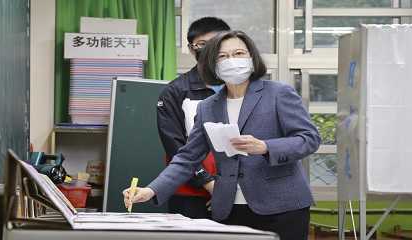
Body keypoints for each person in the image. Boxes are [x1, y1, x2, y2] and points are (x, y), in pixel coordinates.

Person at [124, 30, 321, 240]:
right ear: (213, 65)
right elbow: (187, 158)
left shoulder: (278, 93)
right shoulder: (208, 107)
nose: (232, 60)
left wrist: (265, 147)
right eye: (223, 56)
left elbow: (309, 139)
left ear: (252, 59)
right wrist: (151, 190)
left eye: (238, 53)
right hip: (228, 208)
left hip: (282, 207)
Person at [156, 17, 230, 219]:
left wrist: (230, 187)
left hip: (239, 192)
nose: (209, 50)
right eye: (201, 45)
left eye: (215, 43)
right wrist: (210, 184)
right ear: (191, 49)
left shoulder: (243, 87)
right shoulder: (174, 92)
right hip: (191, 193)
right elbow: (175, 146)